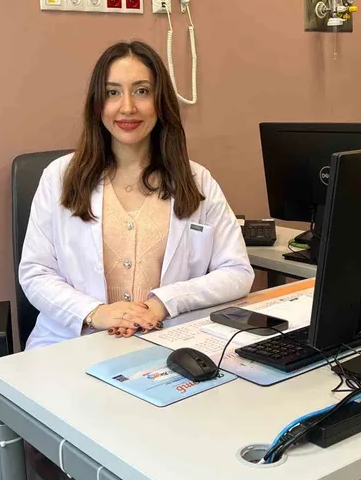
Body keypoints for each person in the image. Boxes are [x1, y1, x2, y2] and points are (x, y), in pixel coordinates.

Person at [19, 40, 254, 350]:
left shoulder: (197, 181)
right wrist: (94, 312)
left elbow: (237, 272)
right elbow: (35, 273)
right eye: (112, 92)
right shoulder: (59, 177)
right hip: (72, 345)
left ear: (160, 101)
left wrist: (164, 302)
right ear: (97, 104)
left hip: (165, 344)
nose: (127, 107)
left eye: (142, 91)